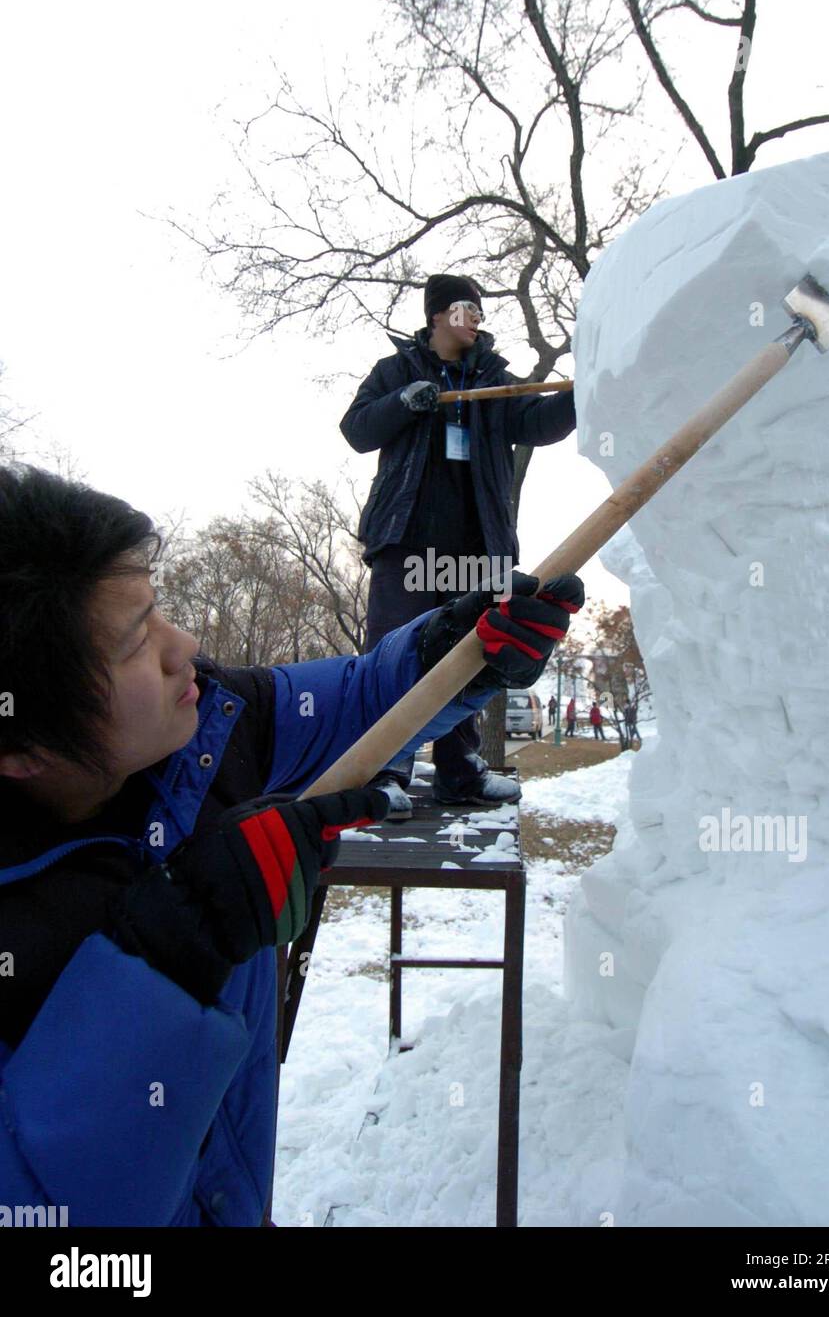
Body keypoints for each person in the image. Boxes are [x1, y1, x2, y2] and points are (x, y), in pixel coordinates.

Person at [0, 465, 584, 1226]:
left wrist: (456, 652)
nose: (185, 646)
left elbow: (357, 698)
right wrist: (168, 962)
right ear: (22, 747)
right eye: (135, 642)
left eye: (159, 612)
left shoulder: (203, 735)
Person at [340, 273, 576, 817]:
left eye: (479, 311)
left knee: (471, 654)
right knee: (394, 655)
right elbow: (356, 431)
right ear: (438, 315)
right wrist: (403, 401)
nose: (477, 319)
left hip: (478, 550)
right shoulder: (394, 371)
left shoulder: (494, 378)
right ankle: (384, 769)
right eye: (467, 309)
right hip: (406, 545)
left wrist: (583, 390)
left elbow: (537, 422)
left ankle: (458, 770)